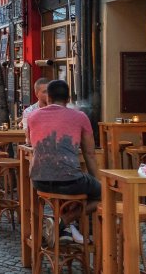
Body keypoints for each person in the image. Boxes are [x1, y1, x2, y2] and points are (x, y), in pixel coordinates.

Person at [26, 80, 100, 246]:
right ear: (68, 99)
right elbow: (89, 153)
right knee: (102, 195)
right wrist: (97, 182)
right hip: (70, 181)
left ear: (49, 98)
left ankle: (62, 228)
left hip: (39, 181)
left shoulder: (32, 116)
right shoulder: (80, 117)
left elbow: (31, 143)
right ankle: (63, 220)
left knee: (69, 184)